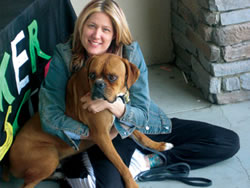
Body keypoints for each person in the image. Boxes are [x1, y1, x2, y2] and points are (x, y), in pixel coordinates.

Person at [39, 0, 240, 187]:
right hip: (98, 140)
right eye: (91, 26)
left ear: (115, 34)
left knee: (226, 141)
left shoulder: (130, 54)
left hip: (135, 126)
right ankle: (89, 168)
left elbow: (143, 112)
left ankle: (146, 162)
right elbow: (50, 116)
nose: (96, 35)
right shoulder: (65, 56)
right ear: (81, 26)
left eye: (105, 29)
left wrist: (115, 107)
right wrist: (92, 135)